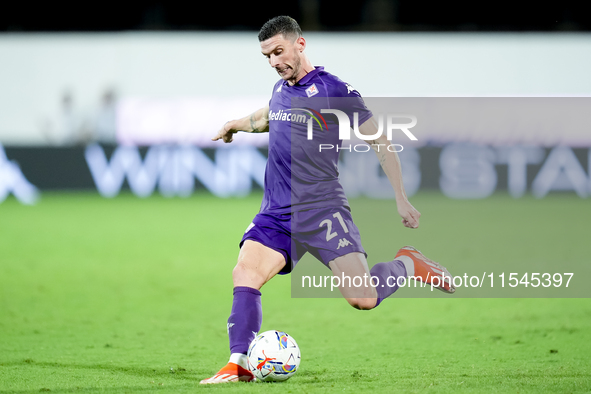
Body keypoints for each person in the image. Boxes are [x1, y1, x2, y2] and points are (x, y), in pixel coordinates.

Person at [200, 16, 455, 384]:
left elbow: (380, 142)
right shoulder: (280, 88)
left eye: (278, 51)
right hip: (276, 213)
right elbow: (269, 116)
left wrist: (400, 196)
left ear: (299, 44)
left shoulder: (336, 90)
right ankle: (238, 362)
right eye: (267, 56)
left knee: (363, 298)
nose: (273, 61)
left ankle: (408, 264)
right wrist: (234, 125)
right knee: (246, 273)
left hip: (322, 211)